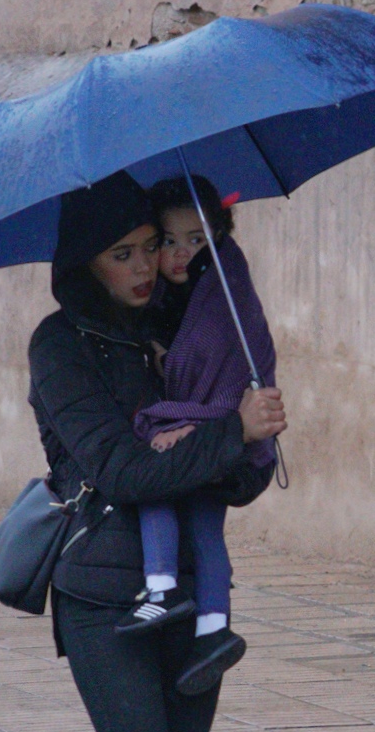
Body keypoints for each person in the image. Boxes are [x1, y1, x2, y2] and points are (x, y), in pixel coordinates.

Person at [27, 170, 287, 732]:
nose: (148, 267)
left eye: (154, 248)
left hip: (189, 604)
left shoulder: (183, 326)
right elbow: (124, 470)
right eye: (125, 254)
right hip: (105, 596)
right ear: (84, 263)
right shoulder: (61, 346)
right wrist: (221, 439)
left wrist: (248, 439)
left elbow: (228, 481)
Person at [116, 175, 276, 699]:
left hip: (215, 427)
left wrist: (193, 422)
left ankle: (163, 592)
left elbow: (237, 366)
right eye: (169, 241)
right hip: (200, 425)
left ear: (221, 237)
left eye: (198, 239)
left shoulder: (225, 290)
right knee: (203, 526)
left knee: (168, 496)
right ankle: (213, 628)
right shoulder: (166, 299)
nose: (182, 253)